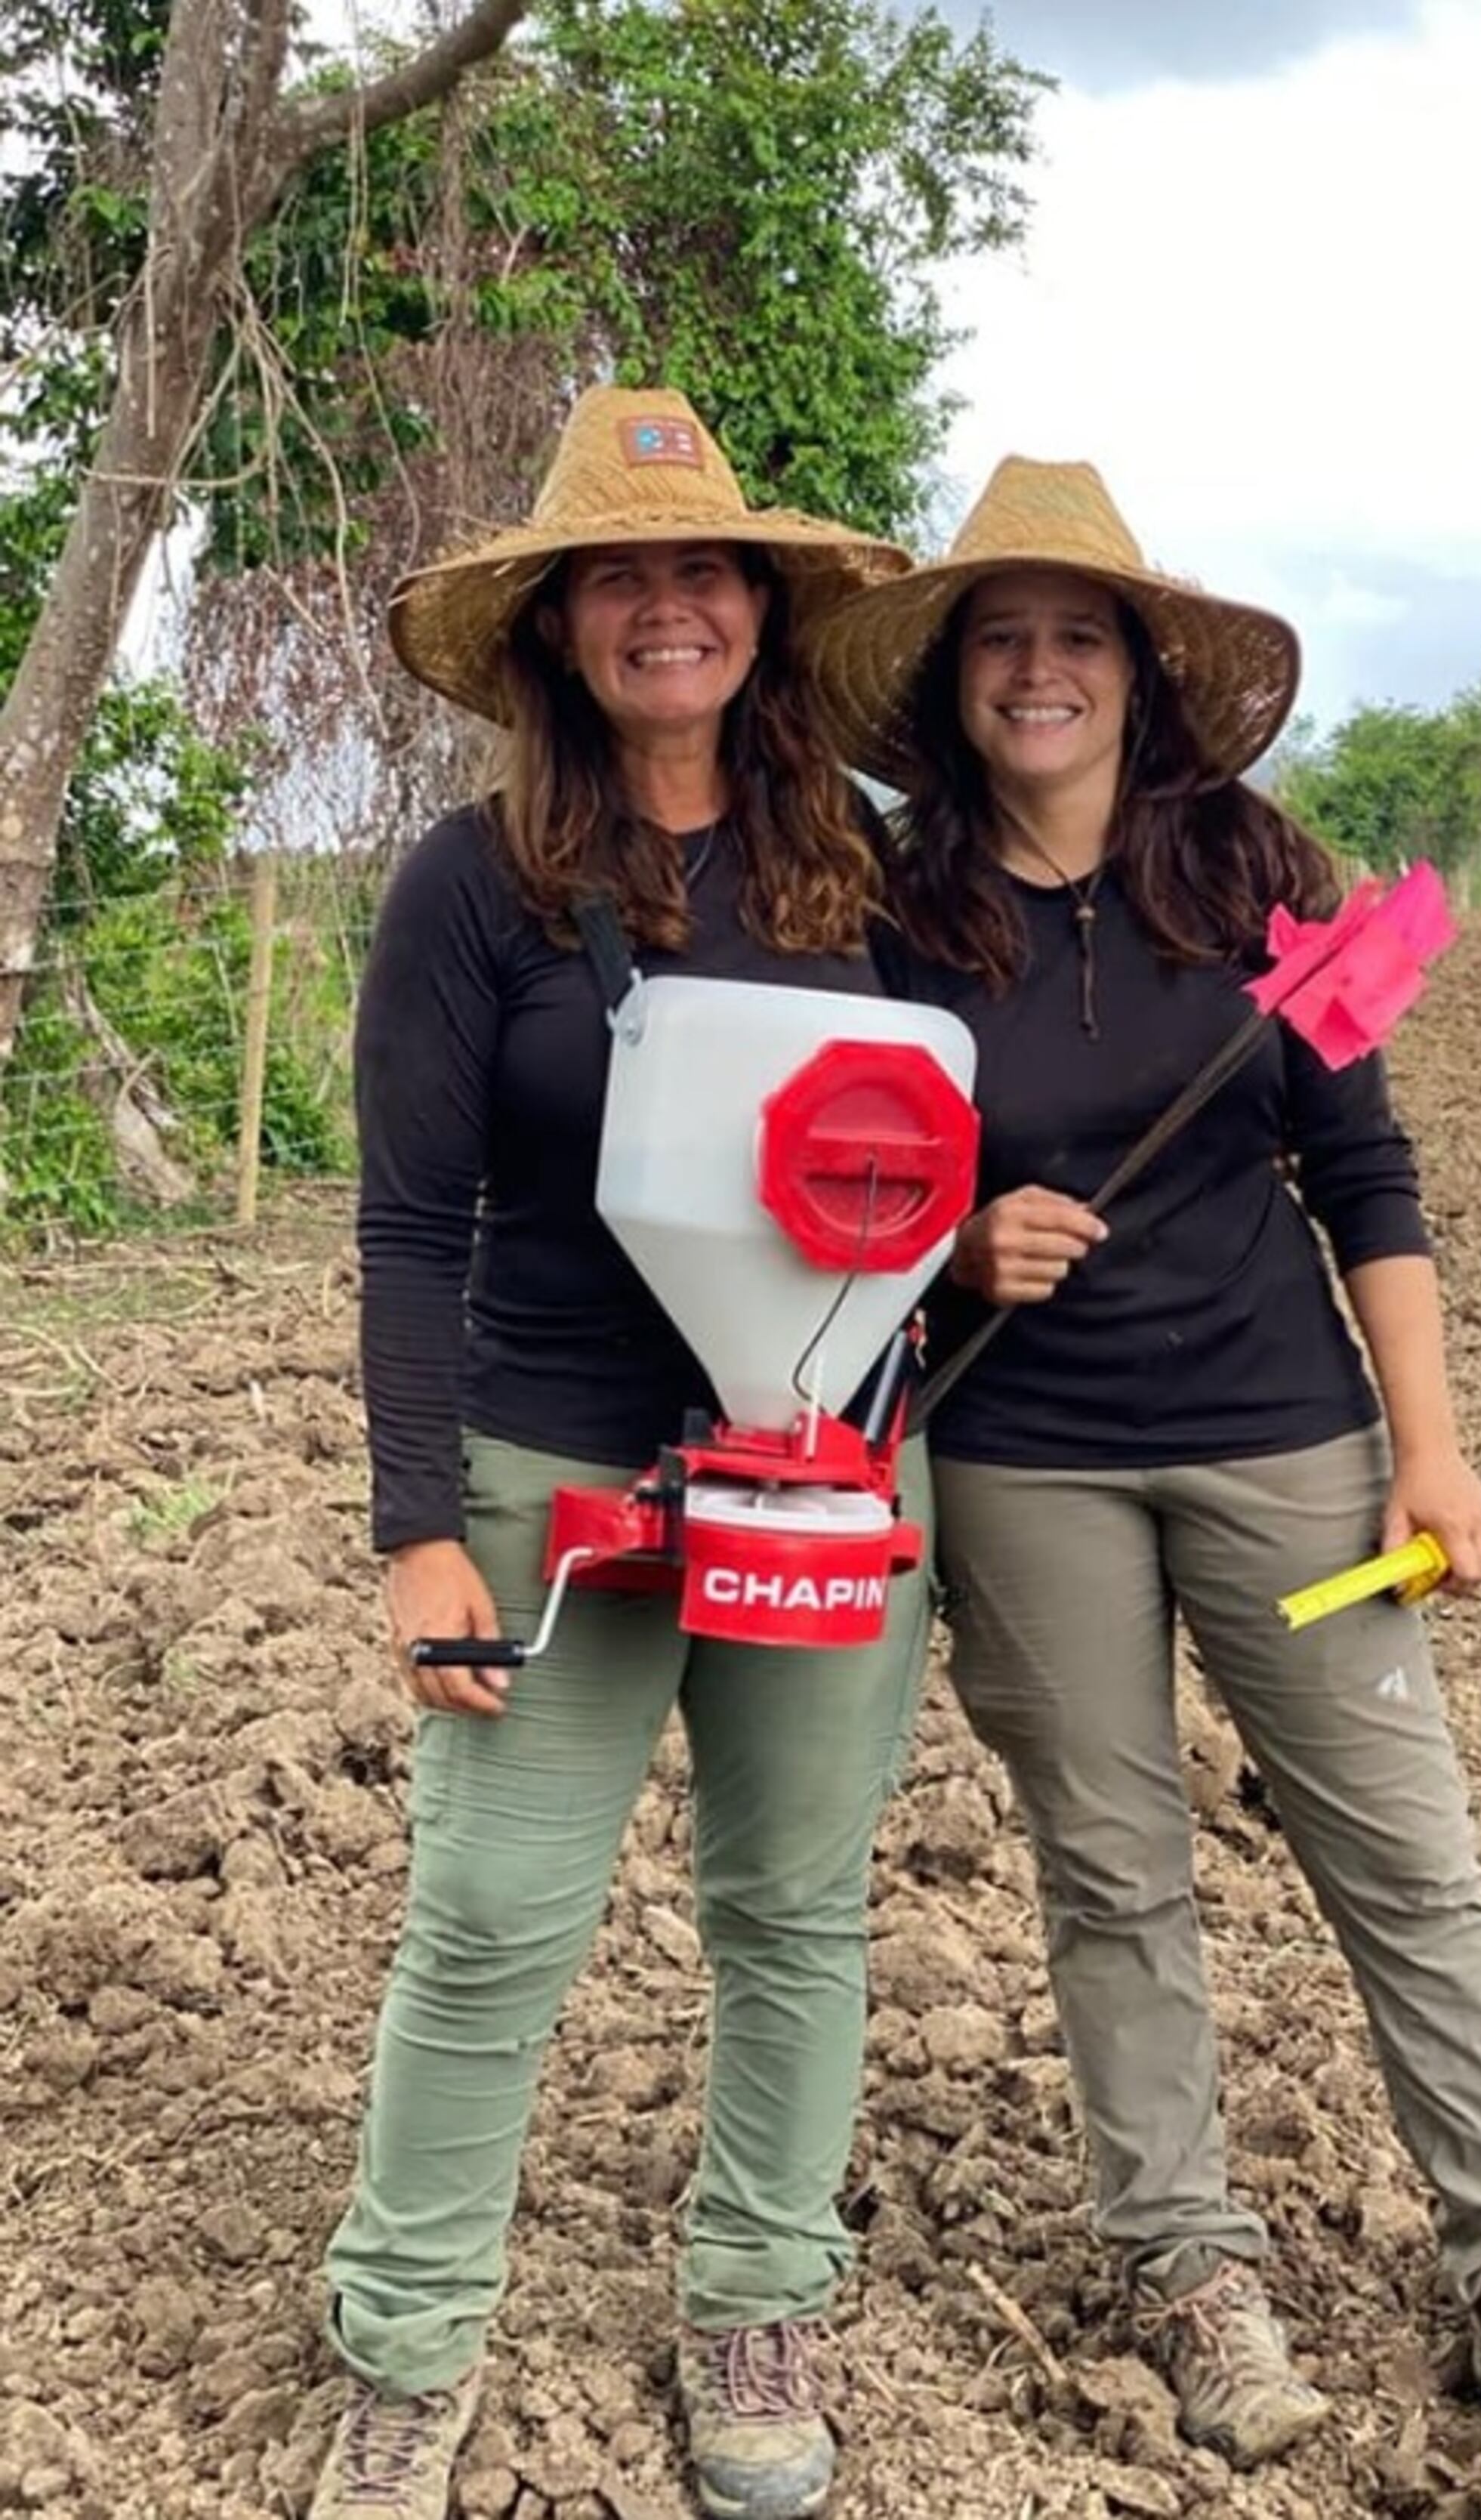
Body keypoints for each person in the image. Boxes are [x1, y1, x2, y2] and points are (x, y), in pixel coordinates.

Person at [804, 459, 1481, 2465]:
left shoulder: (1259, 884)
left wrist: (1437, 1458)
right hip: (1031, 1470)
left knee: (1405, 1855)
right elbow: (842, 1177)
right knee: (1115, 1880)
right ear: (957, 682)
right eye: (1000, 638)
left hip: (1291, 1449)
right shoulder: (890, 913)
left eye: (1075, 636)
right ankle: (1190, 2274)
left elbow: (1365, 1176)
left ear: (1141, 674)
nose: (1037, 672)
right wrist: (953, 1243)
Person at [309, 387, 927, 2520]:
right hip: (555, 1468)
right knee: (489, 1921)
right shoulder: (472, 892)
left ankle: (756, 2303)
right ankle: (403, 2345)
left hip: (828, 1468)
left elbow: (956, 1132)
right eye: (623, 581)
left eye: (704, 573)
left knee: (795, 1909)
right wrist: (414, 1528)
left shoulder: (867, 871)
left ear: (758, 607)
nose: (669, 610)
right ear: (564, 628)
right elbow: (406, 1223)